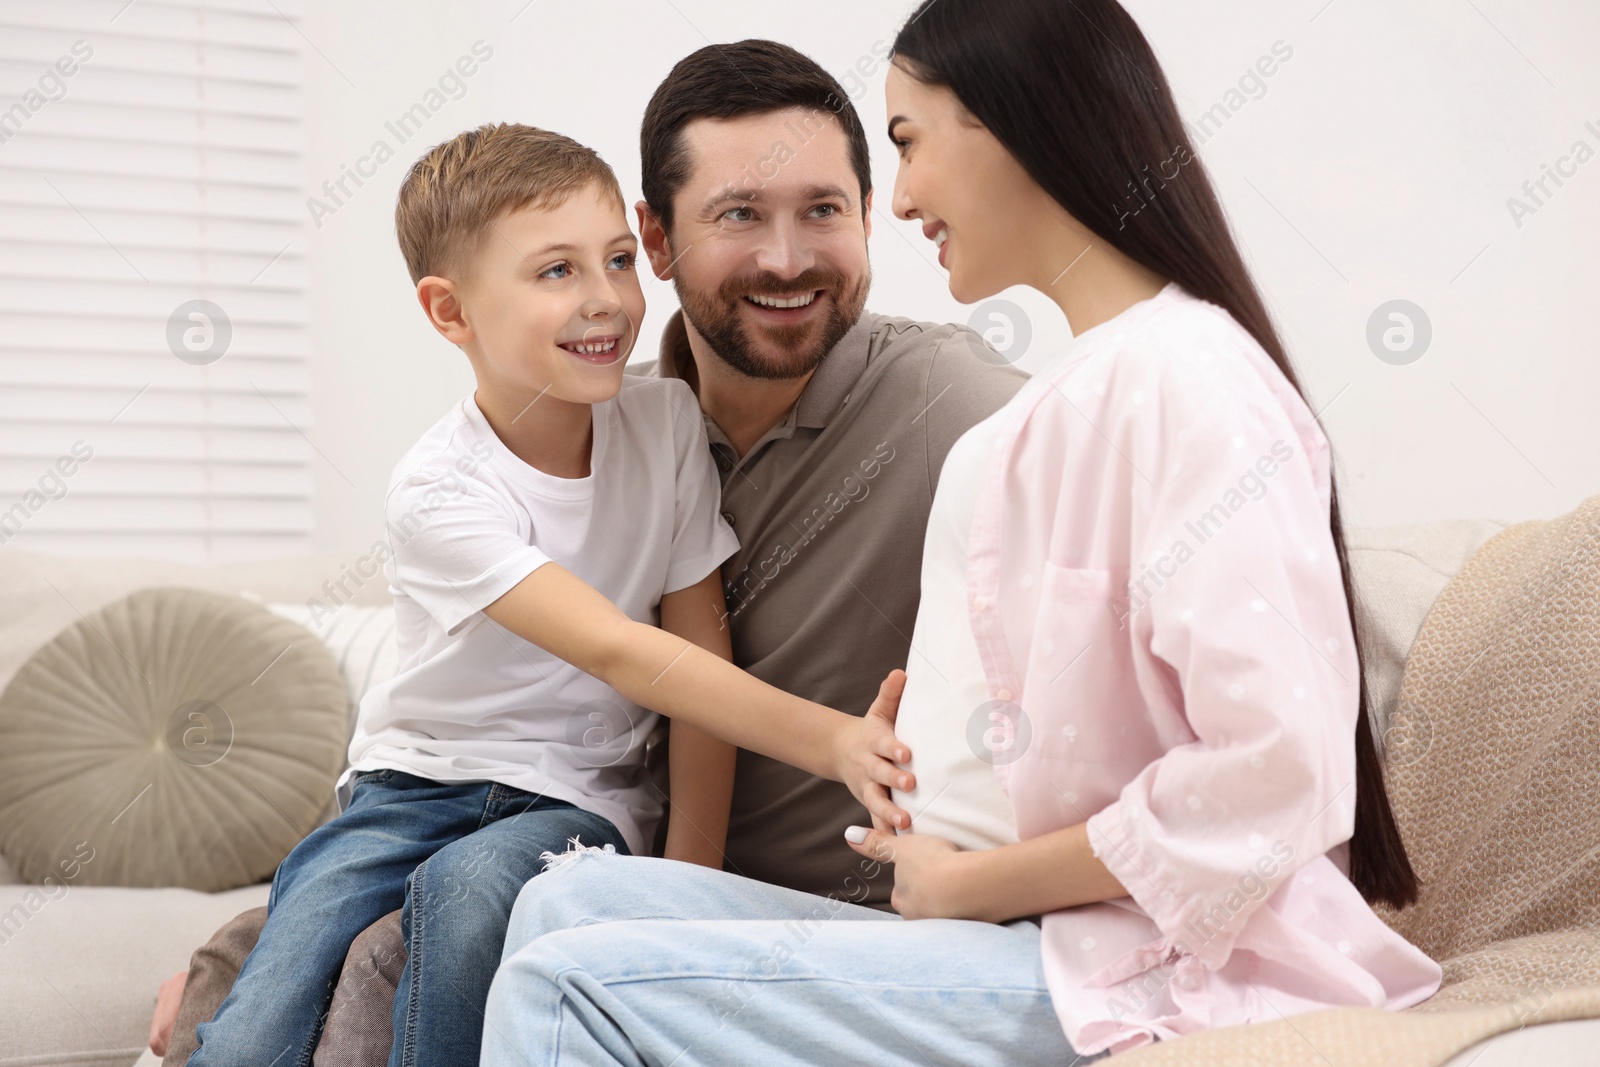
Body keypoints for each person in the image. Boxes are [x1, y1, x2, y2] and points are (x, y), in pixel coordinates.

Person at [478, 2, 1446, 1063]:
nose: (899, 198)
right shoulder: (1070, 396)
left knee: (568, 982)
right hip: (996, 930)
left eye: (905, 143)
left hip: (1131, 965)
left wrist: (967, 879)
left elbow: (1277, 778)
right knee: (567, 902)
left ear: (1009, 122)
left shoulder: (1189, 380)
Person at [150, 40, 1027, 1061]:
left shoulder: (949, 407)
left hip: (691, 890)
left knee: (440, 918)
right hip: (486, 830)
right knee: (260, 967)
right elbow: (535, 693)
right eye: (739, 214)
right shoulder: (639, 414)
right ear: (661, 238)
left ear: (868, 218)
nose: (786, 258)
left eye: (822, 209)